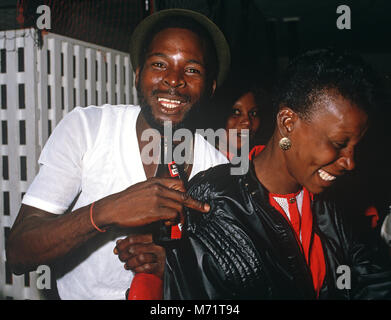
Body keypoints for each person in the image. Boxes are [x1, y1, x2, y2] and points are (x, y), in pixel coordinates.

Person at [5, 8, 231, 300]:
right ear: (138, 75)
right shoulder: (89, 128)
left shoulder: (219, 169)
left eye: (192, 69)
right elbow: (19, 252)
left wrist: (176, 265)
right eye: (159, 64)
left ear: (210, 88)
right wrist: (107, 210)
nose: (173, 80)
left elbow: (229, 276)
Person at [162, 49, 391, 299]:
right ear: (288, 123)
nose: (350, 163)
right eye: (338, 144)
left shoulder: (336, 199)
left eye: (355, 147)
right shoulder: (213, 205)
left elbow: (372, 280)